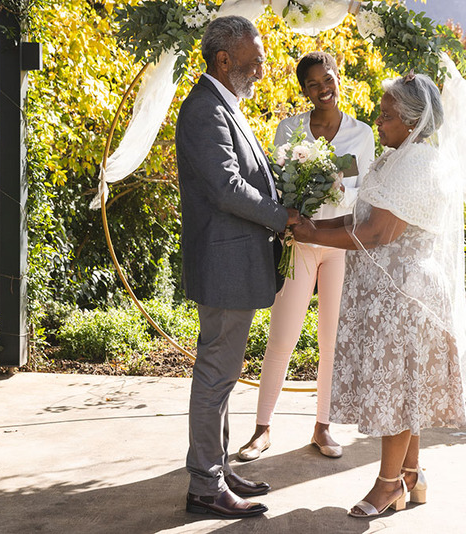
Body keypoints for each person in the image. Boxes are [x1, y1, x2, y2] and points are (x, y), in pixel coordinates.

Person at [292, 71, 466, 517]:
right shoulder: (394, 159)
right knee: (407, 389)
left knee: (399, 393)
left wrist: (315, 234)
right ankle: (411, 475)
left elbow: (378, 231)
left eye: (387, 115)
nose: (378, 121)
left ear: (411, 121)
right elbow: (356, 219)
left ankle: (387, 486)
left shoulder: (419, 164)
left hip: (407, 297)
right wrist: (309, 228)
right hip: (390, 296)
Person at [176, 15, 300, 519]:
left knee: (222, 376)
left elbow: (249, 174)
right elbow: (227, 187)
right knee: (214, 376)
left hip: (234, 263)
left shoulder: (224, 104)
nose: (262, 72)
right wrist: (282, 217)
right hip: (224, 264)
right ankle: (204, 487)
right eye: (255, 63)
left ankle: (217, 469)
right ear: (223, 60)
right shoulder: (205, 110)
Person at [237, 51, 375, 462]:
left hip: (340, 245)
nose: (322, 89)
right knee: (282, 337)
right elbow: (280, 188)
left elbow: (364, 193)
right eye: (312, 84)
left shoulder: (361, 134)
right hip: (298, 244)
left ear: (338, 77)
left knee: (331, 340)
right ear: (304, 90)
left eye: (327, 79)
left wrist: (336, 188)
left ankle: (323, 427)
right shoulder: (290, 130)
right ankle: (261, 430)